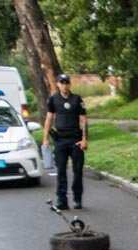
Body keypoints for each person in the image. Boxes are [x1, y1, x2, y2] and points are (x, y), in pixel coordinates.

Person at [42, 74, 88, 210]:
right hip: (60, 140)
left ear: (70, 84)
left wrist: (84, 139)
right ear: (57, 84)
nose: (64, 85)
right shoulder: (53, 100)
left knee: (77, 171)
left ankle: (77, 199)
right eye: (62, 82)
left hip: (75, 140)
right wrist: (45, 139)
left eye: (67, 82)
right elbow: (49, 119)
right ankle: (62, 201)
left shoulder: (77, 99)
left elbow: (84, 120)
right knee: (61, 171)